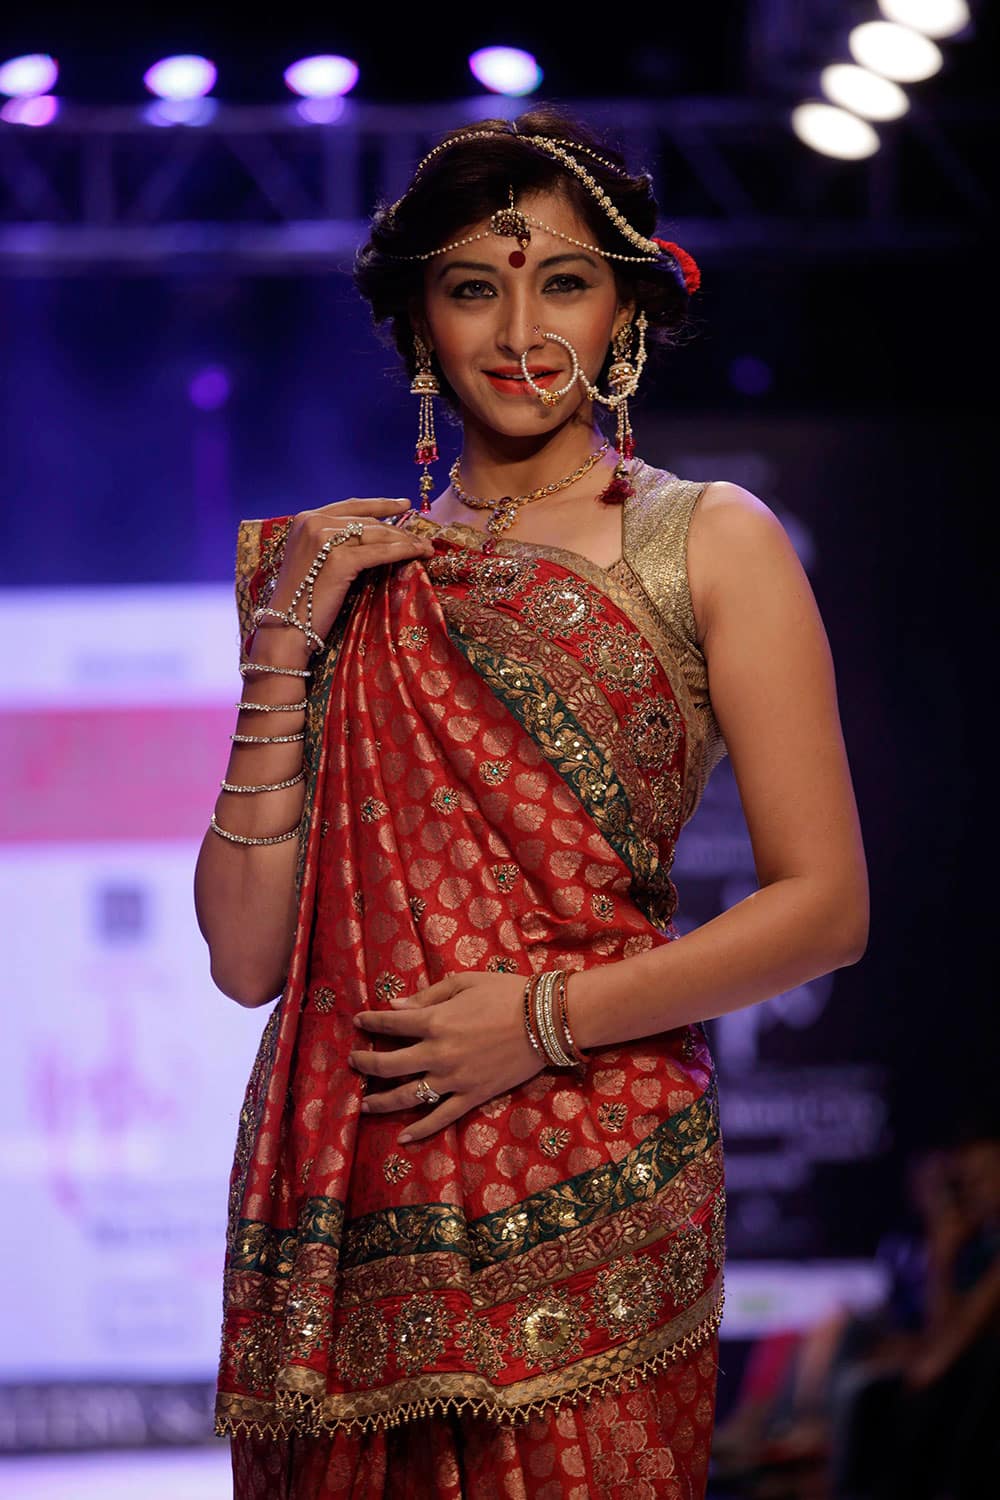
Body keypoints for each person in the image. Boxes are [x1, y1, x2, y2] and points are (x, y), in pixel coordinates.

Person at [195, 105, 869, 1500]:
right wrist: (283, 644)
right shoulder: (337, 567)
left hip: (594, 1169)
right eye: (471, 287)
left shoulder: (704, 540)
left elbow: (826, 909)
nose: (518, 329)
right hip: (349, 1195)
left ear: (622, 306)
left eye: (562, 281)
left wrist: (540, 1021)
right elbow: (247, 958)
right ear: (420, 324)